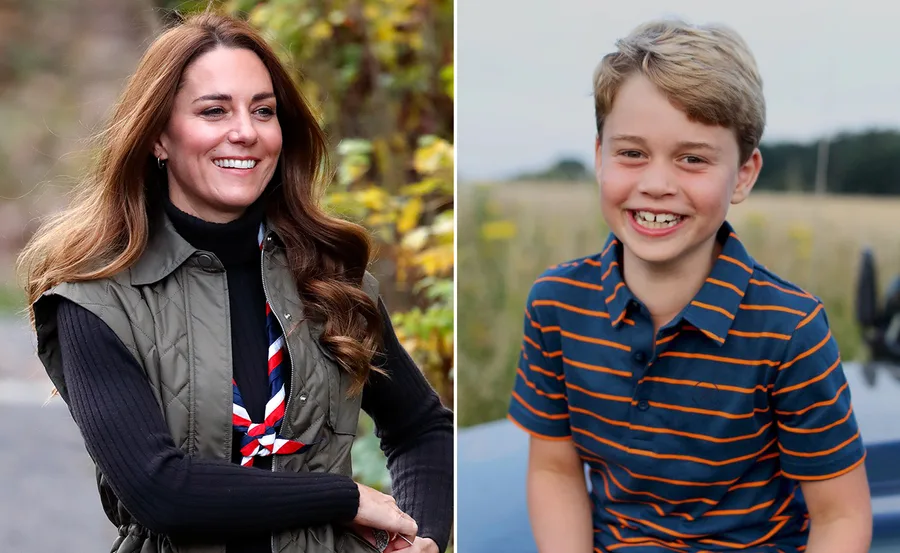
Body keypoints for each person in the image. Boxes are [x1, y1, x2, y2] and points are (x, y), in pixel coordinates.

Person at [17, 10, 452, 553]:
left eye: (263, 111)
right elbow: (160, 490)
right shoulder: (94, 299)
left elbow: (422, 428)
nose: (244, 132)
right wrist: (343, 497)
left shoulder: (332, 278)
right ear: (158, 137)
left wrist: (424, 538)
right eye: (214, 110)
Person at [506, 18, 871, 553]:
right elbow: (557, 474)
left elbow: (840, 517)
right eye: (631, 152)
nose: (656, 185)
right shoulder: (556, 304)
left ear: (743, 175)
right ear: (600, 155)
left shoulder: (790, 329)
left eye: (692, 159)